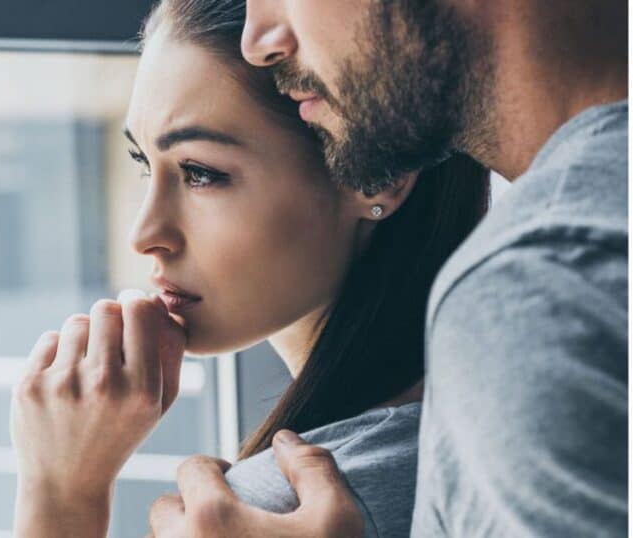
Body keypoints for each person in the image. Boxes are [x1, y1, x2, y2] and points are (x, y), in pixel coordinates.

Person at [8, 0, 489, 536]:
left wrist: (60, 493)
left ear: (378, 176)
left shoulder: (278, 511)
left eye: (200, 173)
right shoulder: (479, 424)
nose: (144, 235)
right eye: (145, 163)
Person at [148, 0, 628, 536]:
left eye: (201, 172)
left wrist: (73, 495)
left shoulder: (541, 290)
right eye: (142, 163)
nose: (258, 39)